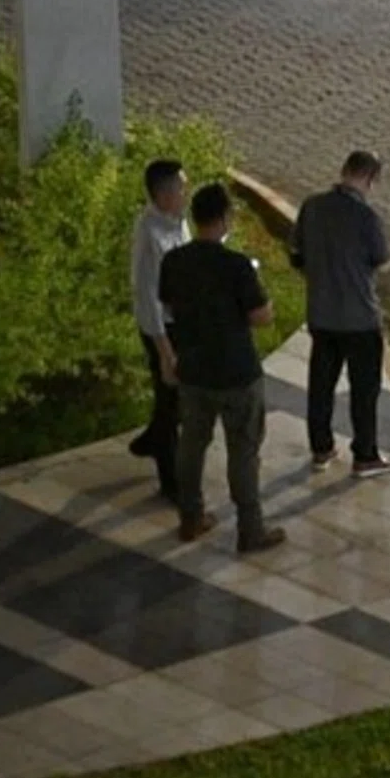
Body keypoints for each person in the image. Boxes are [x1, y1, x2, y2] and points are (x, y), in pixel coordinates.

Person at [159, 183, 284, 552]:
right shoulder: (237, 265)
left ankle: (190, 516)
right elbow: (260, 316)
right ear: (226, 217)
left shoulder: (175, 261)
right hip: (237, 374)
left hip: (194, 369)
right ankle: (251, 529)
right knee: (243, 451)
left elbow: (166, 304)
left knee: (192, 445)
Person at [291, 150, 390, 478]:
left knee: (321, 383)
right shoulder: (366, 218)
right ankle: (365, 454)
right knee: (364, 390)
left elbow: (296, 256)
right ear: (370, 179)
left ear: (344, 170)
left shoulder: (311, 207)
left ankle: (321, 447)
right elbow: (383, 262)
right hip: (360, 319)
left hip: (322, 315)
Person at [128, 159, 189, 506]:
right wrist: (165, 352)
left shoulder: (179, 224)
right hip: (160, 329)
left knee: (175, 400)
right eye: (181, 187)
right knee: (171, 401)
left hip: (180, 323)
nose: (186, 193)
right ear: (164, 194)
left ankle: (152, 439)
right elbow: (148, 298)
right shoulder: (149, 234)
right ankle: (171, 481)